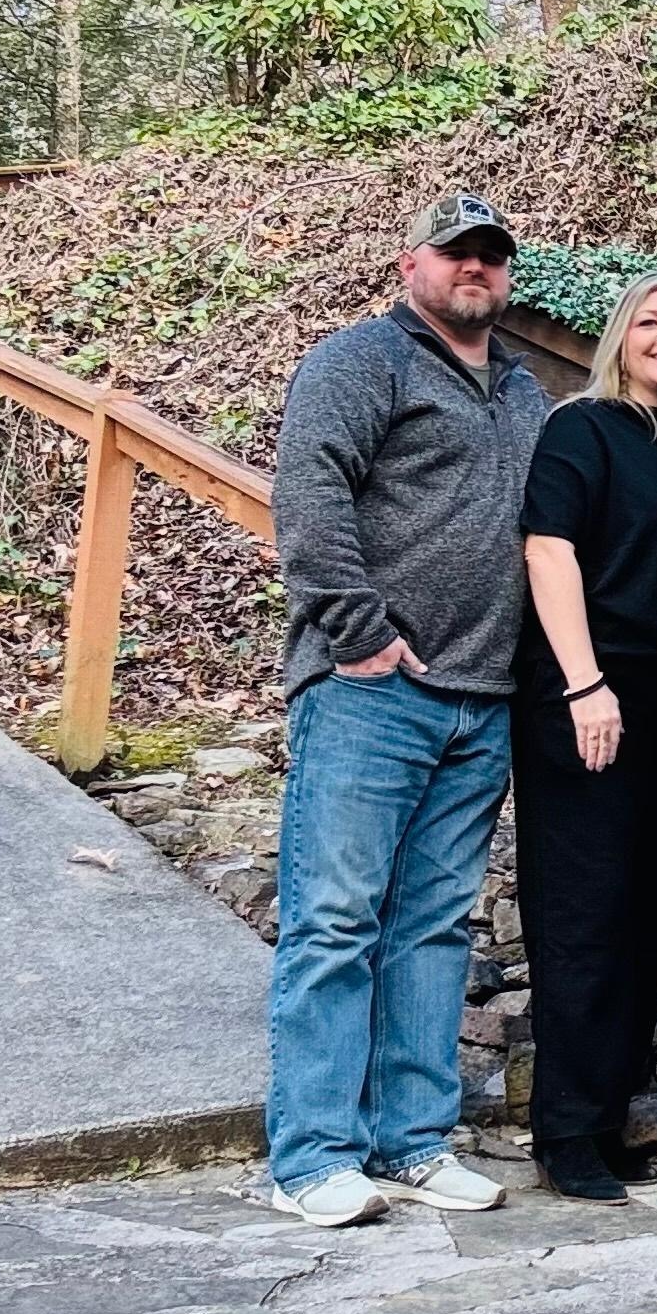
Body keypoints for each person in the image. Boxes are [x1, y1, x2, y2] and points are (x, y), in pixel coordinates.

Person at [264, 193, 553, 1227]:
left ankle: (412, 1140)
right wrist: (360, 634)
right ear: (409, 265)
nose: (475, 269)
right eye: (456, 254)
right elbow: (310, 497)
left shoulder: (520, 392)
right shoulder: (358, 364)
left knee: (432, 931)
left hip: (481, 699)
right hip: (369, 692)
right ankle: (310, 1155)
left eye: (491, 257)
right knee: (335, 921)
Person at [513, 271, 657, 1205]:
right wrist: (583, 681)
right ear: (620, 337)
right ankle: (564, 1130)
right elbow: (548, 548)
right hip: (590, 692)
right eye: (651, 320)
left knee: (647, 912)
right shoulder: (581, 428)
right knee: (583, 910)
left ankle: (605, 1116)